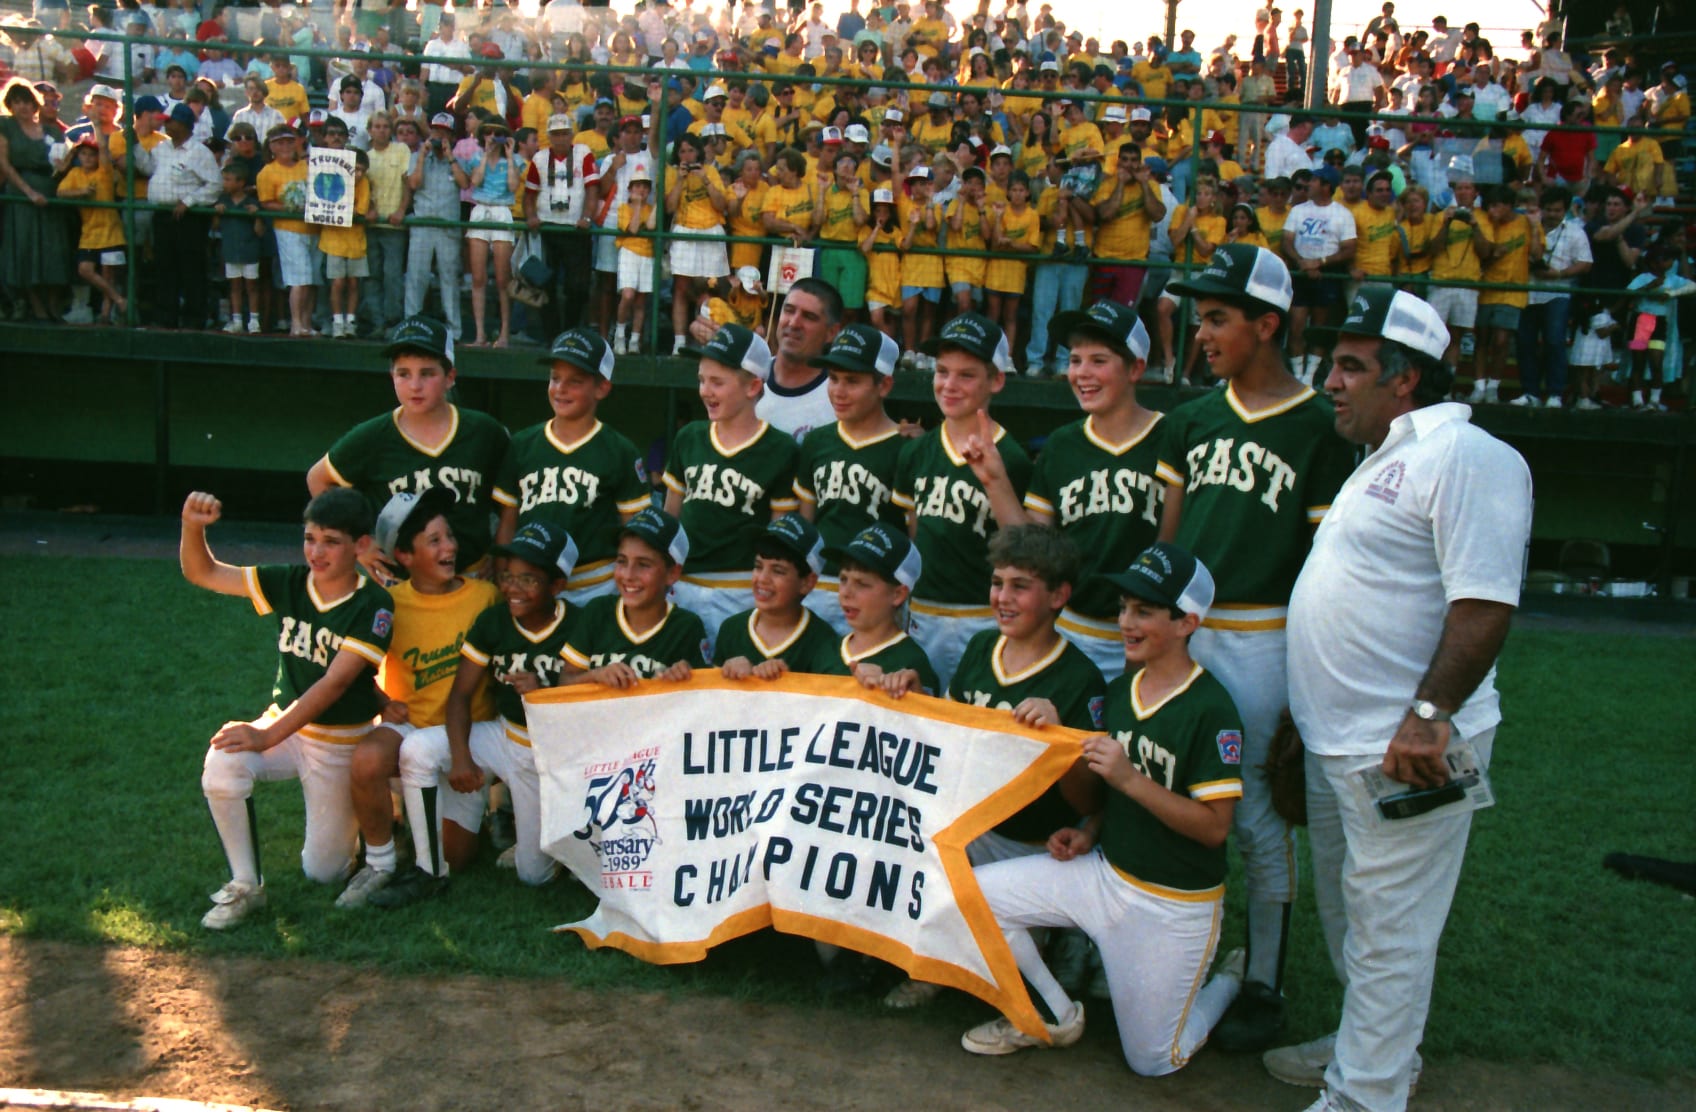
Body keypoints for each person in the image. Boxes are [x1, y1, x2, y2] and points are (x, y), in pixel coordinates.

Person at [1271, 286, 1532, 1112]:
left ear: (1406, 378)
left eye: (1350, 367)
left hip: (1405, 744)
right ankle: (1370, 1050)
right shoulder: (1382, 457)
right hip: (1342, 740)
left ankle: (1365, 1095)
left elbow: (1484, 603)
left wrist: (1428, 718)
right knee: (1355, 916)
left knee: (1391, 929)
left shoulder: (1465, 456)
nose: (1331, 382)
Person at [1158, 244, 1356, 1054]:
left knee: (1256, 809)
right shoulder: (1192, 417)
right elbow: (1168, 546)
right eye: (1201, 317)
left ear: (1267, 324)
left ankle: (1266, 977)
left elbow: (1322, 572)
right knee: (1164, 783)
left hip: (1268, 633)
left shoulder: (1318, 427)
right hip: (1187, 631)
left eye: (1218, 318)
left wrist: (1310, 687)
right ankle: (1169, 954)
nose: (1202, 333)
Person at [960, 541, 1246, 1072]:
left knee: (1154, 1060)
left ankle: (1228, 980)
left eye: (1144, 611)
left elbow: (1214, 828)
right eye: (1123, 608)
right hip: (1104, 875)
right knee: (973, 895)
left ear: (1187, 622)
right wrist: (1090, 827)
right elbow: (1104, 797)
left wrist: (1130, 779)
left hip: (1172, 902)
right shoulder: (1121, 692)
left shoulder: (1211, 708)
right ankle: (1054, 1011)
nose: (1127, 622)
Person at [182, 487, 393, 930]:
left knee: (325, 871)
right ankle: (245, 885)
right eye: (309, 537)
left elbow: (334, 684)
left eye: (331, 541)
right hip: (289, 722)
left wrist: (266, 736)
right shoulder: (289, 580)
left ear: (361, 546)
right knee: (223, 761)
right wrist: (191, 527)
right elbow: (203, 573)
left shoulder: (374, 603)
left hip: (339, 737)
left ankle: (384, 808)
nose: (316, 551)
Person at [387, 521, 581, 903]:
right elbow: (460, 695)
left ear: (557, 585)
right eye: (507, 576)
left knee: (533, 875)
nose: (512, 588)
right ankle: (429, 870)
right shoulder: (494, 619)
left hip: (550, 753)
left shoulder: (578, 623)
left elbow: (589, 705)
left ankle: (556, 845)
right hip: (502, 734)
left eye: (529, 580)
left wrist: (543, 693)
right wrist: (461, 756)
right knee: (418, 750)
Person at [338, 489, 501, 909]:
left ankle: (457, 818)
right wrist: (380, 702)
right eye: (434, 541)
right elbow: (352, 669)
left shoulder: (484, 597)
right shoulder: (389, 604)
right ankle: (379, 859)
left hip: (464, 737)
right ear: (406, 557)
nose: (449, 547)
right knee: (368, 758)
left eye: (449, 536)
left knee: (457, 858)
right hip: (411, 728)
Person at [1018, 300, 1173, 678]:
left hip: (1151, 635)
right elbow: (1036, 544)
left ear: (1136, 367)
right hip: (1072, 630)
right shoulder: (1061, 444)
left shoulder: (1172, 437)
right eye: (1074, 360)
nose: (1082, 373)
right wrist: (991, 477)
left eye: (1098, 361)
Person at [307, 317, 510, 581]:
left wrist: (502, 550)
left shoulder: (484, 432)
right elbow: (318, 479)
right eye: (404, 374)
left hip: (471, 578)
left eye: (427, 373)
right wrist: (361, 544)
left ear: (450, 377)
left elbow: (511, 503)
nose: (415, 385)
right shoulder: (373, 436)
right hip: (401, 583)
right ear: (391, 376)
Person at [893, 313, 1032, 688]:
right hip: (922, 611)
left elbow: (1026, 550)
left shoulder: (1012, 457)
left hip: (983, 615)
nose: (949, 385)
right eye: (942, 371)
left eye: (966, 375)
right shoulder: (916, 452)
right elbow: (913, 533)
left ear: (996, 380)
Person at [663, 324, 801, 659]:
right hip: (684, 583)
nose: (705, 391)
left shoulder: (780, 448)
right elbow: (669, 521)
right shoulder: (690, 438)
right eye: (702, 380)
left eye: (718, 382)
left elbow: (778, 538)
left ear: (754, 385)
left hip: (742, 589)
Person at [491, 328, 650, 606]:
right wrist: (502, 575)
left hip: (594, 585)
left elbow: (635, 532)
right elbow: (508, 522)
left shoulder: (619, 450)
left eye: (575, 381)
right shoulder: (522, 444)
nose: (561, 389)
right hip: (530, 582)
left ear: (602, 387)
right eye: (555, 378)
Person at [793, 323, 907, 634]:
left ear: (883, 385)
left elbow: (912, 537)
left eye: (852, 381)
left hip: (877, 594)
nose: (839, 391)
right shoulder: (817, 442)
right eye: (833, 379)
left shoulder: (906, 447)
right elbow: (807, 525)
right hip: (819, 585)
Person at [559, 507, 709, 682]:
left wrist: (683, 680)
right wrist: (596, 675)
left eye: (644, 564)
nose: (628, 575)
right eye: (622, 561)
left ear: (672, 573)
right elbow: (563, 682)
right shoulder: (597, 611)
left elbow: (700, 697)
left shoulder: (686, 627)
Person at [713, 513, 841, 678]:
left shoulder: (824, 641)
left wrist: (785, 682)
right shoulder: (731, 629)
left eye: (778, 571)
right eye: (758, 566)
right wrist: (727, 673)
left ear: (807, 582)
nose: (763, 578)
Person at [827, 521, 938, 693]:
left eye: (862, 583)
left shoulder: (911, 662)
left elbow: (926, 718)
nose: (846, 593)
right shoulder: (827, 649)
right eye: (843, 579)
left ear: (898, 595)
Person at [1512, 186, 1591, 408]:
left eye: (1557, 210)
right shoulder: (1527, 226)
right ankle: (1530, 392)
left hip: (1558, 292)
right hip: (1528, 291)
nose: (1552, 214)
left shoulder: (1575, 231)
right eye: (1548, 209)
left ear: (1565, 210)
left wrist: (1559, 274)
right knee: (1525, 343)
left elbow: (1585, 263)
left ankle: (1555, 393)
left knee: (1554, 342)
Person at [149, 102, 222, 330]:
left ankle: (194, 318)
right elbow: (146, 167)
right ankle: (165, 316)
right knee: (164, 267)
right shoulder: (161, 148)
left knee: (191, 268)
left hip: (188, 219)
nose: (166, 124)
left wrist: (189, 201)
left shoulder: (200, 152)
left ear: (183, 124)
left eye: (170, 121)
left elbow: (215, 185)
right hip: (161, 215)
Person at [757, 276, 845, 442]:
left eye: (809, 317)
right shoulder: (749, 378)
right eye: (789, 310)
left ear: (831, 333)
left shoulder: (839, 397)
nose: (794, 323)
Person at [404, 113, 465, 339]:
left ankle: (454, 331)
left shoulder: (456, 159)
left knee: (449, 277)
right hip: (422, 224)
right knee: (416, 276)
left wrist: (449, 156)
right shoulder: (418, 157)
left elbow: (464, 183)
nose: (438, 136)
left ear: (451, 135)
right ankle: (410, 324)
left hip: (448, 226)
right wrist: (422, 156)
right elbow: (414, 183)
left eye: (443, 132)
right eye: (435, 131)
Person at [54, 133, 126, 324]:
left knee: (108, 274)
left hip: (111, 231)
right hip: (89, 232)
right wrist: (82, 192)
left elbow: (103, 149)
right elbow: (61, 192)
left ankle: (105, 314)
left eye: (91, 154)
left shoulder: (104, 171)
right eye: (83, 154)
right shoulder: (75, 174)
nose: (87, 158)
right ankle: (120, 300)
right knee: (84, 269)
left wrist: (95, 123)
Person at [258, 124, 317, 337]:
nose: (285, 146)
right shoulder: (267, 172)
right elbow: (266, 203)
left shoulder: (307, 166)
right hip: (287, 230)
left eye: (289, 141)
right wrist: (292, 207)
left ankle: (307, 324)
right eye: (279, 142)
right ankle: (296, 324)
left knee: (312, 280)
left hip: (313, 228)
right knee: (298, 278)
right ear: (271, 146)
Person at [320, 148, 373, 339]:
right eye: (356, 169)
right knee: (337, 282)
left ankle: (350, 321)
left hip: (356, 241)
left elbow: (360, 210)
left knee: (353, 283)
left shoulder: (365, 183)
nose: (359, 174)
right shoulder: (332, 180)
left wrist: (342, 211)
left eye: (362, 170)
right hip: (333, 240)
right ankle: (337, 321)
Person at [213, 159, 264, 335]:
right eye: (224, 179)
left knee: (252, 287)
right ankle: (236, 320)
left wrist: (256, 216)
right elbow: (215, 227)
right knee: (234, 286)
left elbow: (260, 231)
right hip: (230, 251)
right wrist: (217, 213)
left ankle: (254, 321)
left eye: (228, 179)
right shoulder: (222, 201)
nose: (225, 183)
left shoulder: (252, 202)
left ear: (241, 182)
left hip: (250, 252)